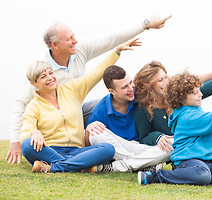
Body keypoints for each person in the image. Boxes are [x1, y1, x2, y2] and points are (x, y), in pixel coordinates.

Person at [6, 15, 172, 164]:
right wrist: (18, 140)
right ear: (55, 45)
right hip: (52, 132)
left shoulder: (75, 69)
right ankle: (70, 162)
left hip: (76, 116)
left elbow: (106, 44)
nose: (75, 41)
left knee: (104, 114)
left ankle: (64, 163)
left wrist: (142, 28)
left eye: (50, 74)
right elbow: (21, 107)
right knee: (29, 144)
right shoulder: (37, 92)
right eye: (70, 38)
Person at [20, 38, 142, 173]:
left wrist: (117, 52)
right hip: (50, 150)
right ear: (34, 83)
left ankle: (54, 167)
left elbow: (95, 73)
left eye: (50, 73)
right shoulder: (33, 106)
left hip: (77, 151)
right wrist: (34, 132)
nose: (50, 78)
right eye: (43, 76)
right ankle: (75, 165)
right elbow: (25, 132)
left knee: (108, 149)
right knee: (27, 145)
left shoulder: (72, 90)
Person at [84, 65, 171, 172]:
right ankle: (142, 164)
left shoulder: (141, 98)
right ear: (112, 91)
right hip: (118, 148)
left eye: (130, 82)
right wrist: (89, 130)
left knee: (172, 145)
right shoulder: (101, 109)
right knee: (96, 134)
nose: (131, 89)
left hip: (139, 146)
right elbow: (89, 146)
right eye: (124, 87)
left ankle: (119, 166)